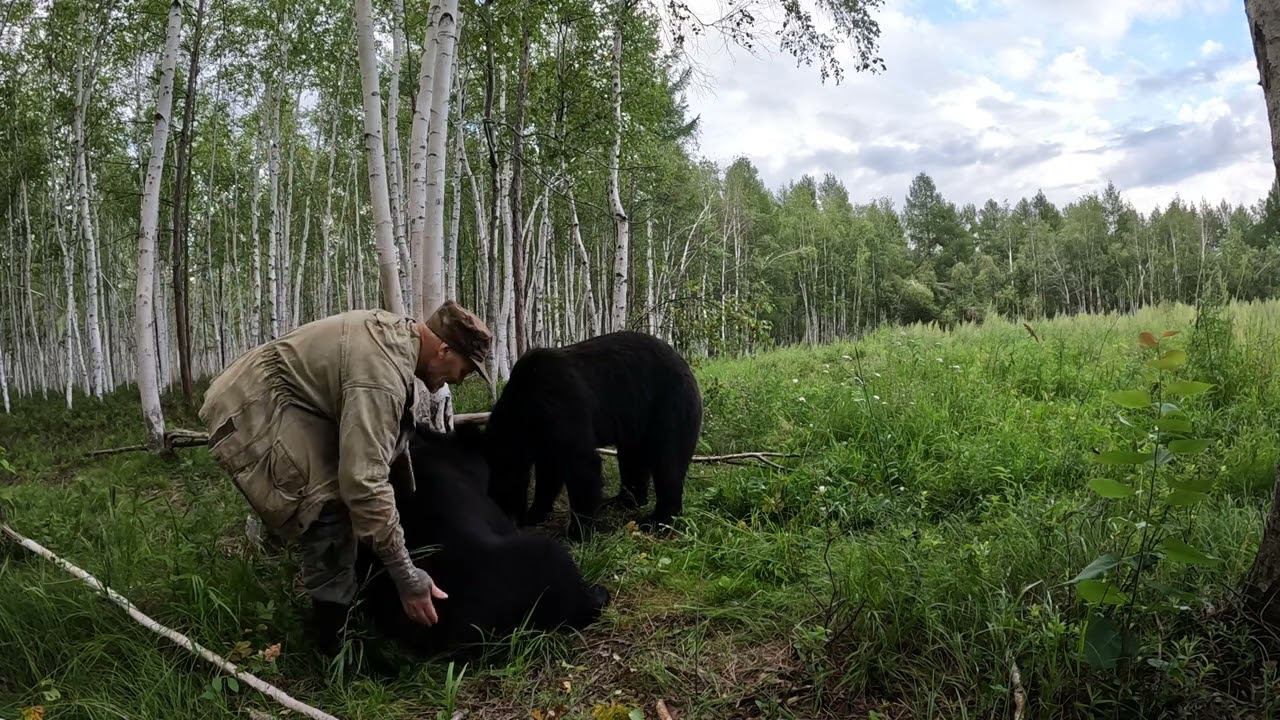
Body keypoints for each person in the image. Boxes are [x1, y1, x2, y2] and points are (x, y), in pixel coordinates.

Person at [198, 301, 493, 654]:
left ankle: (337, 594)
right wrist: (406, 576)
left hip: (290, 398)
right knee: (327, 510)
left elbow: (384, 447)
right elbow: (364, 482)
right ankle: (331, 645)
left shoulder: (400, 339)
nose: (460, 379)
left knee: (347, 495)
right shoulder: (380, 378)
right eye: (466, 369)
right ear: (444, 350)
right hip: (254, 407)